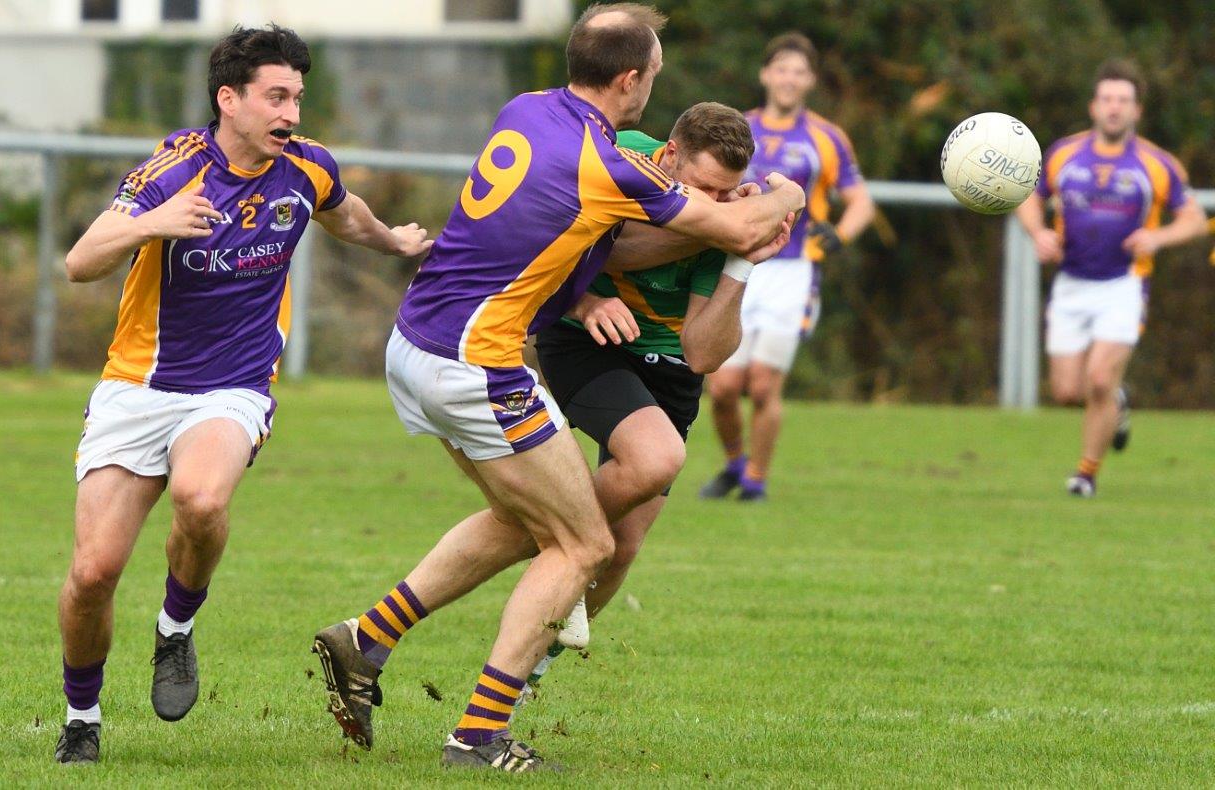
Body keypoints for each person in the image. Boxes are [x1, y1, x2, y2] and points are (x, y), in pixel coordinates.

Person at [310, 3, 803, 772]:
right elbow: (735, 231)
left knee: (529, 522)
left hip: (414, 341)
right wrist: (785, 197)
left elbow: (552, 230)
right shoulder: (608, 162)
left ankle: (366, 640)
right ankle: (477, 736)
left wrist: (584, 283)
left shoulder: (528, 108)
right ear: (632, 82)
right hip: (477, 361)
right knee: (582, 544)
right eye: (657, 70)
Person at [54, 24, 432, 764]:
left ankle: (175, 628)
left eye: (297, 96)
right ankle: (82, 717)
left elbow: (342, 210)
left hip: (232, 386)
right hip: (137, 386)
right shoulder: (175, 170)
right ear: (229, 99)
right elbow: (79, 261)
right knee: (93, 573)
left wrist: (389, 240)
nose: (291, 112)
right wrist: (152, 224)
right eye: (276, 96)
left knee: (201, 499)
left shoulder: (306, 168)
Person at [527, 101, 761, 686]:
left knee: (622, 548)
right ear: (670, 154)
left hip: (669, 363)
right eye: (703, 187)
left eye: (727, 193)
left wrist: (740, 260)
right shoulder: (620, 150)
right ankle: (562, 543)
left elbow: (704, 354)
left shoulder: (729, 218)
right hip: (583, 337)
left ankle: (527, 671)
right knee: (639, 482)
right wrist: (582, 300)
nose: (716, 203)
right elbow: (593, 241)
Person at [1016, 59, 1206, 497]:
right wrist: (1038, 231)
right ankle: (1116, 405)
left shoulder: (1158, 165)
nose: (1114, 108)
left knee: (1100, 378)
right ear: (1093, 106)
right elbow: (1030, 197)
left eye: (1123, 100)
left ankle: (1086, 474)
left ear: (1137, 110)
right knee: (1067, 391)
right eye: (1107, 99)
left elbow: (1194, 220)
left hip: (1123, 285)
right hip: (1071, 283)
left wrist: (1159, 237)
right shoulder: (1063, 153)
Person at [699, 31, 875, 502]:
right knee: (721, 388)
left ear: (811, 80)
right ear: (765, 74)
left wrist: (839, 233)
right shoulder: (738, 127)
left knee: (762, 386)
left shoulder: (826, 137)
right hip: (736, 265)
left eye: (799, 71)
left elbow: (860, 202)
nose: (789, 78)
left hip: (793, 271)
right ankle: (735, 463)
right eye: (781, 68)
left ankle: (756, 480)